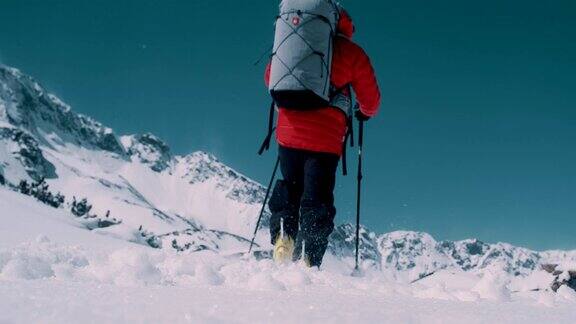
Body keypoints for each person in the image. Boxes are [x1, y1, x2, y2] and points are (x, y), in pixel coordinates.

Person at [264, 7, 381, 267]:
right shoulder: (351, 53)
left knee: (290, 186)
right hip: (325, 142)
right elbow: (371, 101)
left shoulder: (294, 39)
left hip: (289, 134)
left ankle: (283, 237)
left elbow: (270, 77)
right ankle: (309, 256)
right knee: (317, 198)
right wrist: (364, 113)